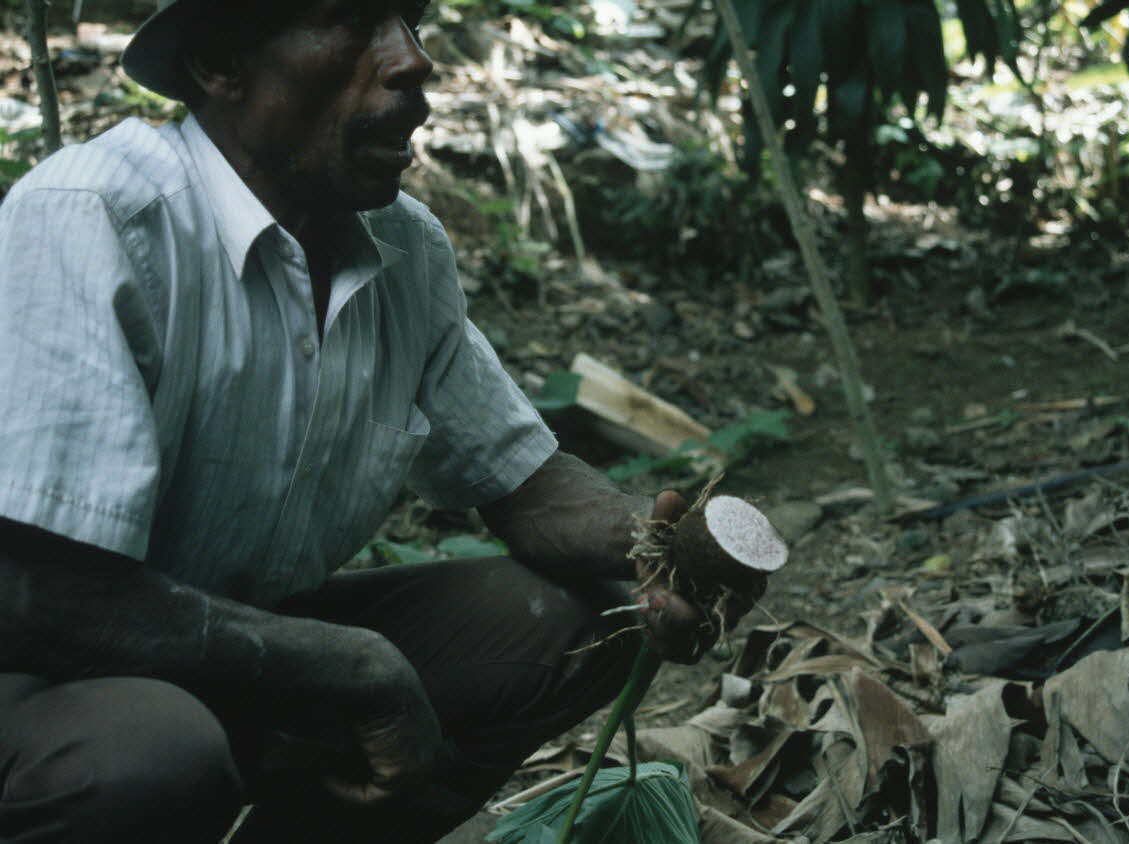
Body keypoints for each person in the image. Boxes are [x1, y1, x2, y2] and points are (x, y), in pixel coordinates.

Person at [0, 0, 756, 841]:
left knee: (579, 620)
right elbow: (40, 597)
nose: (412, 59)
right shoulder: (94, 217)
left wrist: (654, 549)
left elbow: (526, 487)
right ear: (220, 62)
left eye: (411, 19)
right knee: (143, 755)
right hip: (44, 682)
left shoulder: (400, 248)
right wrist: (350, 665)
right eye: (354, 21)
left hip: (237, 653)